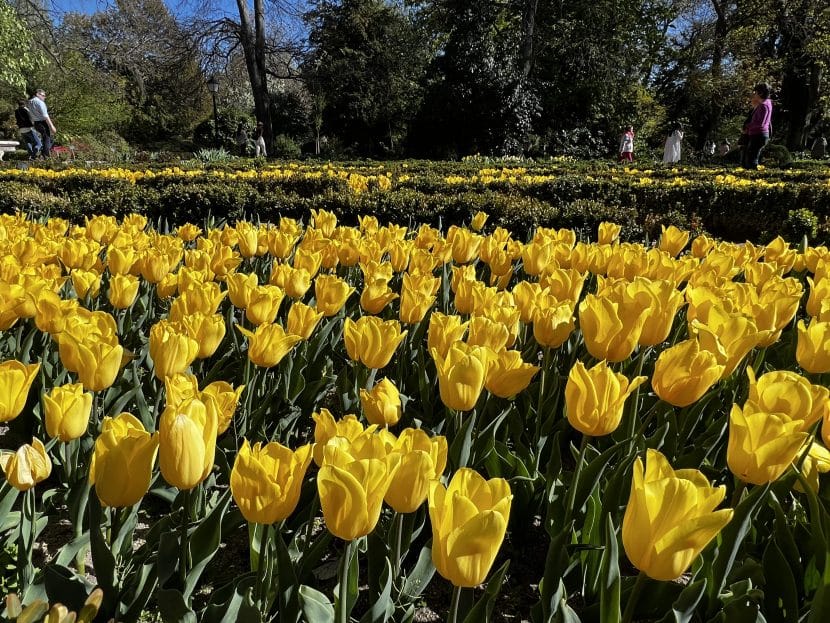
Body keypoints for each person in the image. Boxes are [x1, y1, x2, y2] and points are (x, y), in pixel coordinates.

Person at [741, 82, 772, 169]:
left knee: (751, 159)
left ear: (760, 93)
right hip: (760, 134)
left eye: (756, 92)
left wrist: (747, 127)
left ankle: (753, 177)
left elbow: (760, 123)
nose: (754, 94)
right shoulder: (767, 103)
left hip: (758, 135)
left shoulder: (763, 105)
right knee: (751, 156)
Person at [28, 89, 56, 157]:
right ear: (37, 94)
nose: (44, 97)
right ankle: (46, 156)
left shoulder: (30, 102)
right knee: (47, 138)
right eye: (43, 95)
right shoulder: (40, 102)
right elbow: (45, 116)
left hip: (36, 124)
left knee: (46, 139)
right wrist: (52, 126)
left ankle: (42, 153)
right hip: (42, 122)